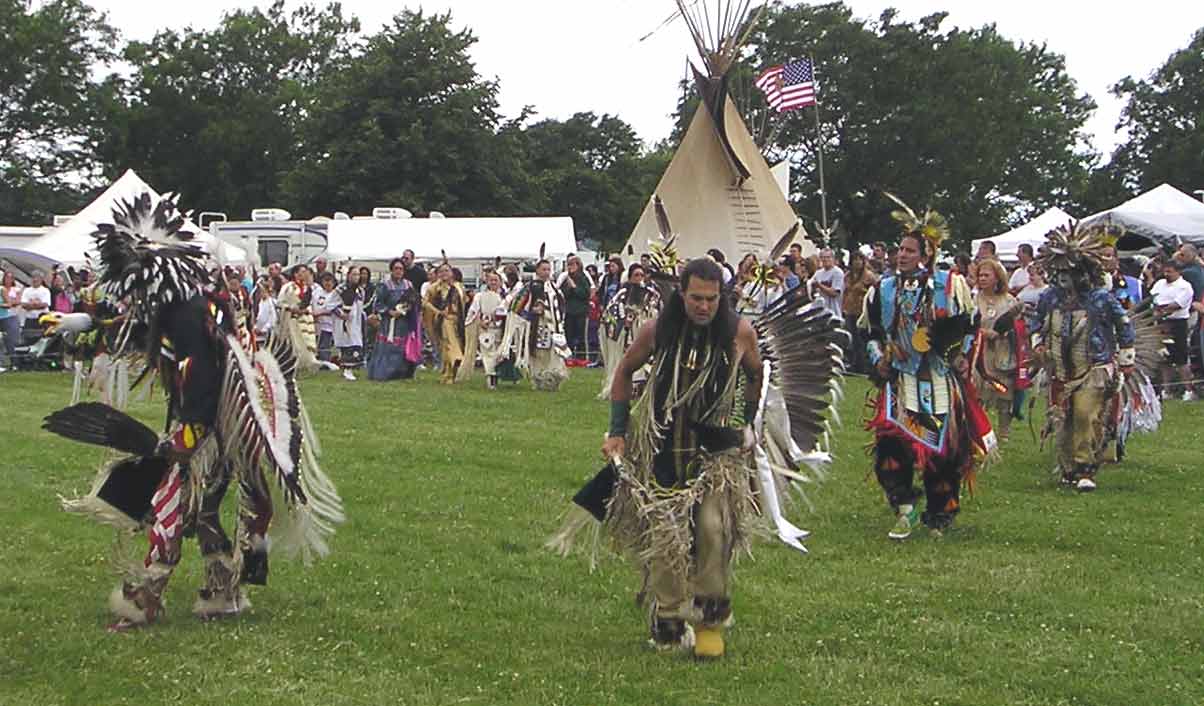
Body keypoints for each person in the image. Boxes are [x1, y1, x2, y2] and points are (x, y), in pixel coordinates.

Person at [44, 192, 341, 631]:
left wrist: (186, 439)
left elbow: (201, 375)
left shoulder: (189, 312)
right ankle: (223, 592)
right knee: (202, 513)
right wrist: (82, 324)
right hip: (205, 426)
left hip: (206, 430)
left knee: (170, 509)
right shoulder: (176, 306)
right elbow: (136, 330)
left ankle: (144, 600)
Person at [564, 258, 765, 657]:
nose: (703, 306)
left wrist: (747, 422)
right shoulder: (658, 330)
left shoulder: (739, 332)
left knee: (713, 526)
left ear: (720, 298)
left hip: (717, 454)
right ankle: (670, 622)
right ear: (682, 294)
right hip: (664, 447)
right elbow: (623, 373)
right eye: (695, 298)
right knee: (666, 536)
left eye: (711, 299)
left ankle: (710, 616)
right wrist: (618, 432)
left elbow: (758, 373)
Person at [860, 199, 995, 539]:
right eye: (899, 249)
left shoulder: (949, 286)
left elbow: (969, 326)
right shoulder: (883, 290)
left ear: (926, 253)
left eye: (908, 250)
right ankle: (904, 506)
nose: (901, 255)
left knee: (943, 452)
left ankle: (941, 512)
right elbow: (871, 333)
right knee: (891, 449)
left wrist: (961, 355)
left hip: (937, 379)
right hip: (901, 379)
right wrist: (880, 360)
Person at [1030, 223, 1136, 491]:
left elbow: (1124, 324)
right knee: (1062, 418)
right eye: (1061, 271)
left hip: (1094, 368)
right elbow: (1035, 323)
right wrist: (1038, 344)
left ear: (1085, 271)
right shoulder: (1049, 298)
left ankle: (1085, 468)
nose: (1065, 277)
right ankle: (1068, 468)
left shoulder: (1101, 298)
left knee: (1085, 415)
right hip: (1060, 370)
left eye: (1071, 271)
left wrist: (1126, 360)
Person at [973, 258, 1024, 440]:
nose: (982, 278)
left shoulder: (1009, 301)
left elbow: (1019, 327)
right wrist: (982, 333)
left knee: (1005, 395)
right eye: (980, 275)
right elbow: (965, 325)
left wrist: (1002, 333)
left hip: (1003, 354)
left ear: (997, 278)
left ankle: (1004, 434)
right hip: (979, 355)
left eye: (987, 275)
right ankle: (981, 432)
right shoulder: (973, 299)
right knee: (978, 393)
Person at [597, 263, 661, 398]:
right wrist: (624, 320)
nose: (639, 278)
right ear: (630, 277)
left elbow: (656, 311)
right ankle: (623, 386)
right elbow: (610, 314)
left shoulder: (650, 293)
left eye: (642, 275)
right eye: (636, 275)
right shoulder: (623, 293)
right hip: (626, 335)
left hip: (642, 332)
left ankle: (640, 387)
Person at [503, 259, 569, 391]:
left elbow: (561, 303)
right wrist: (531, 311)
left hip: (553, 327)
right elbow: (516, 304)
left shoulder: (553, 287)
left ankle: (552, 377)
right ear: (537, 270)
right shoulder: (530, 286)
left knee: (553, 351)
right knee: (538, 352)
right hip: (537, 325)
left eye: (548, 269)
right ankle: (538, 377)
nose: (547, 272)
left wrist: (559, 317)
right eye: (544, 269)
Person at [367, 257, 420, 381]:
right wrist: (389, 311)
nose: (398, 271)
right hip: (388, 323)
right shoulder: (384, 285)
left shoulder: (408, 285)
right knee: (388, 347)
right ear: (391, 270)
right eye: (396, 268)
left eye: (401, 269)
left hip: (404, 322)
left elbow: (413, 300)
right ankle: (384, 373)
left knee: (402, 347)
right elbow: (378, 304)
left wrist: (405, 309)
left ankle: (402, 373)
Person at [458, 270, 510, 389]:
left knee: (498, 354)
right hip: (485, 329)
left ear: (500, 282)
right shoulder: (479, 296)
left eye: (496, 280)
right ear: (486, 281)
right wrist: (480, 321)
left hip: (500, 330)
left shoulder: (505, 298)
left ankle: (496, 375)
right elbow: (473, 311)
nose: (493, 282)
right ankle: (490, 377)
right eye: (491, 280)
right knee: (488, 354)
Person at [1151, 260, 1195, 400]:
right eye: (1165, 271)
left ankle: (1189, 390)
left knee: (1181, 358)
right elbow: (1152, 298)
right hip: (1161, 323)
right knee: (1165, 358)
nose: (1166, 274)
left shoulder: (1185, 287)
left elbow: (1177, 305)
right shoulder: (1159, 284)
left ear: (1178, 271)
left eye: (1170, 271)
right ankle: (1166, 390)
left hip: (1177, 324)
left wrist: (1161, 310)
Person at [423, 262, 468, 384]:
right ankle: (456, 359)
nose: (444, 273)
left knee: (451, 344)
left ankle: (450, 374)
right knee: (447, 344)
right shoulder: (434, 288)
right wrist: (437, 311)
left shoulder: (458, 287)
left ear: (452, 273)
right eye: (441, 271)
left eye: (447, 271)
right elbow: (425, 302)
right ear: (437, 274)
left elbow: (464, 302)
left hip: (456, 321)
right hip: (443, 320)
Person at [277, 264, 322, 373]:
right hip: (292, 320)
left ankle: (309, 362)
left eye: (306, 271)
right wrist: (292, 309)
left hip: (306, 319)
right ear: (295, 274)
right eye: (302, 271)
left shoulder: (309, 287)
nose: (304, 274)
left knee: (307, 342)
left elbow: (310, 303)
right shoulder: (288, 287)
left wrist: (307, 310)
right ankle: (293, 364)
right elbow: (280, 303)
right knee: (294, 343)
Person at [841, 251, 877, 374]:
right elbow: (845, 293)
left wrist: (863, 290)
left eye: (859, 259)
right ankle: (855, 364)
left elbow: (874, 292)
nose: (857, 262)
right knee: (853, 339)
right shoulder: (847, 276)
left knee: (863, 338)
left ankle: (866, 366)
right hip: (850, 310)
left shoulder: (869, 276)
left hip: (863, 311)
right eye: (854, 259)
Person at [333, 269, 365, 381]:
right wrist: (341, 314)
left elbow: (361, 306)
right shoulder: (340, 289)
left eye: (358, 274)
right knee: (347, 345)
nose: (356, 277)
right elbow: (330, 304)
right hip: (344, 323)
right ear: (348, 275)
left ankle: (350, 369)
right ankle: (347, 370)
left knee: (355, 345)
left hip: (355, 322)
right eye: (354, 274)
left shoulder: (360, 291)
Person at [559, 255, 592, 362]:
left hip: (581, 311)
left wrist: (575, 288)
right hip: (569, 311)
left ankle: (582, 357)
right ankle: (569, 356)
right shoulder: (566, 279)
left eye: (572, 265)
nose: (570, 267)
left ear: (578, 265)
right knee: (569, 334)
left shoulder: (583, 278)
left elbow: (585, 294)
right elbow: (564, 294)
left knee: (581, 335)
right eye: (568, 265)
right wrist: (569, 288)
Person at [312, 272, 340, 365]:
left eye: (330, 281)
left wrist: (320, 313)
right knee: (317, 344)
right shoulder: (317, 292)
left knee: (325, 345)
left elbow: (333, 309)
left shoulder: (336, 294)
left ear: (333, 282)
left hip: (330, 325)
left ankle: (326, 363)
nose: (327, 283)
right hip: (317, 324)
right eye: (325, 281)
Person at [808, 248, 844, 318]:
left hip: (833, 311)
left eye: (828, 257)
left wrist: (819, 285)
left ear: (833, 258)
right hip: (819, 311)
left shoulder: (837, 272)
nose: (825, 259)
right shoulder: (818, 273)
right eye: (823, 257)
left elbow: (834, 293)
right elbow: (810, 287)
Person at [0, 271, 21, 370]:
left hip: (7, 317)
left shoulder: (3, 290)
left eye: (10, 278)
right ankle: (2, 363)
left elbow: (10, 304)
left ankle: (14, 363)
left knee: (10, 340)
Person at [253, 278, 278, 345]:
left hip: (268, 332)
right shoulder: (259, 303)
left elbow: (273, 318)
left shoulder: (272, 302)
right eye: (259, 292)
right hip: (259, 332)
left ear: (267, 291)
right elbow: (259, 317)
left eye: (262, 291)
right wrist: (256, 328)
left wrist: (265, 329)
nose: (261, 293)